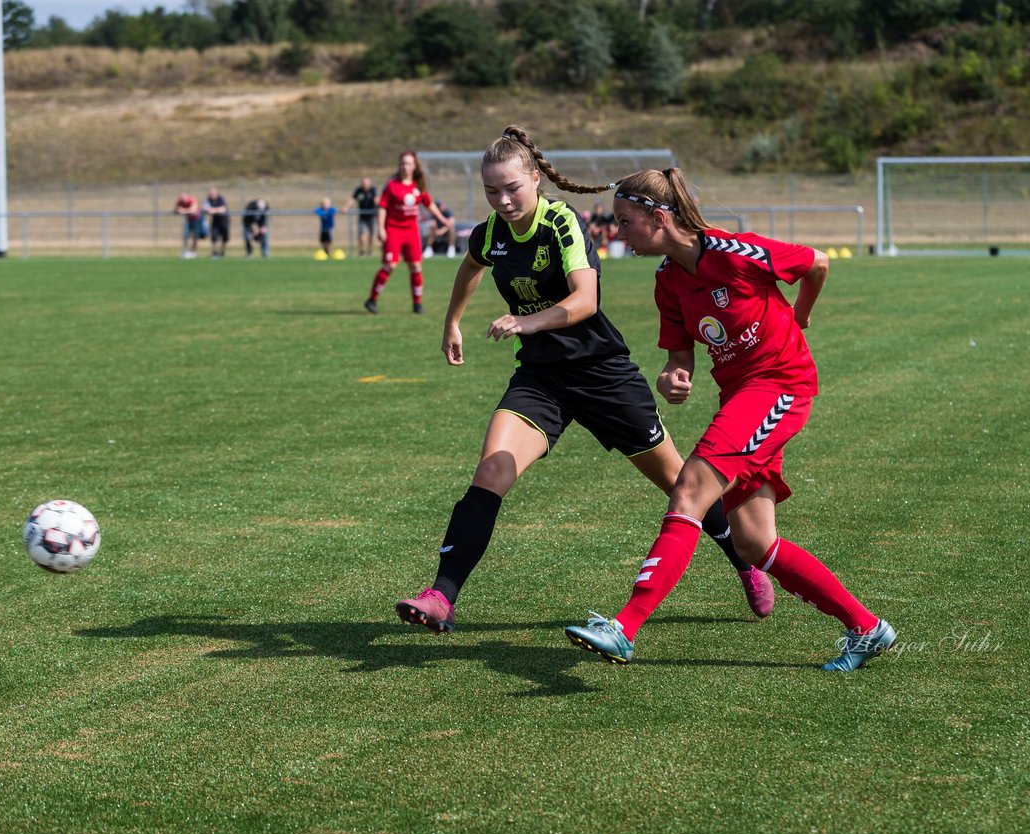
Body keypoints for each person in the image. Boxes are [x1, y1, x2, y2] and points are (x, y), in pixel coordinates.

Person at [394, 126, 775, 635]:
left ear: (535, 178)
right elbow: (470, 267)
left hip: (602, 375)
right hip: (540, 379)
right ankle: (441, 595)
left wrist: (525, 322)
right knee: (490, 474)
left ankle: (743, 561)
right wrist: (452, 323)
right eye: (491, 191)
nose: (502, 200)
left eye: (512, 188)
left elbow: (584, 301)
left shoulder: (561, 222)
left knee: (680, 484)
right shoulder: (491, 233)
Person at [564, 167, 896, 672]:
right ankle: (867, 628)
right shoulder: (668, 281)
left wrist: (801, 314)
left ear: (658, 218)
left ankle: (624, 626)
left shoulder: (734, 253)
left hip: (782, 387)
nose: (619, 232)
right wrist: (673, 377)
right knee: (754, 542)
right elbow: (680, 357)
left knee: (690, 488)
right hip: (740, 397)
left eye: (626, 221)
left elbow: (818, 262)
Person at [364, 151, 454, 315]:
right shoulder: (392, 185)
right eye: (402, 163)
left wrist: (442, 218)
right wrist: (381, 228)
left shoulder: (418, 186)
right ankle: (372, 299)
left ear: (414, 166)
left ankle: (417, 304)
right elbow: (383, 207)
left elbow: (429, 204)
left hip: (411, 231)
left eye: (408, 163)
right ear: (399, 166)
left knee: (416, 267)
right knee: (390, 265)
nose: (405, 166)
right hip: (393, 229)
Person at [349, 177, 378, 257]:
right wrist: (346, 207)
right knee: (361, 233)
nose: (364, 185)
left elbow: (377, 200)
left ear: (369, 184)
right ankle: (362, 251)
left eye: (366, 183)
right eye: (363, 183)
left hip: (371, 216)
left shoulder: (373, 190)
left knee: (371, 234)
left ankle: (370, 251)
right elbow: (352, 200)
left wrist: (379, 207)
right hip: (362, 217)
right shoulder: (359, 190)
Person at [203, 187, 230, 258]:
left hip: (224, 220)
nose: (211, 195)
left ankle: (222, 251)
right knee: (214, 236)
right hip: (215, 220)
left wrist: (214, 210)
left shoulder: (221, 199)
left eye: (213, 193)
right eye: (210, 193)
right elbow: (206, 209)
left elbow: (223, 209)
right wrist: (215, 210)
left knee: (224, 236)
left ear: (216, 193)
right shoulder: (208, 199)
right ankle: (215, 252)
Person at [174, 193, 200, 259]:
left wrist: (184, 211)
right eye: (182, 200)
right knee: (185, 236)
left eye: (184, 199)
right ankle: (185, 251)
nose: (183, 201)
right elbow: (176, 210)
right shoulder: (179, 201)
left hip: (195, 220)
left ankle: (193, 252)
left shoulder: (192, 200)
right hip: (186, 220)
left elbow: (193, 210)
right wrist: (182, 210)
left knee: (195, 236)